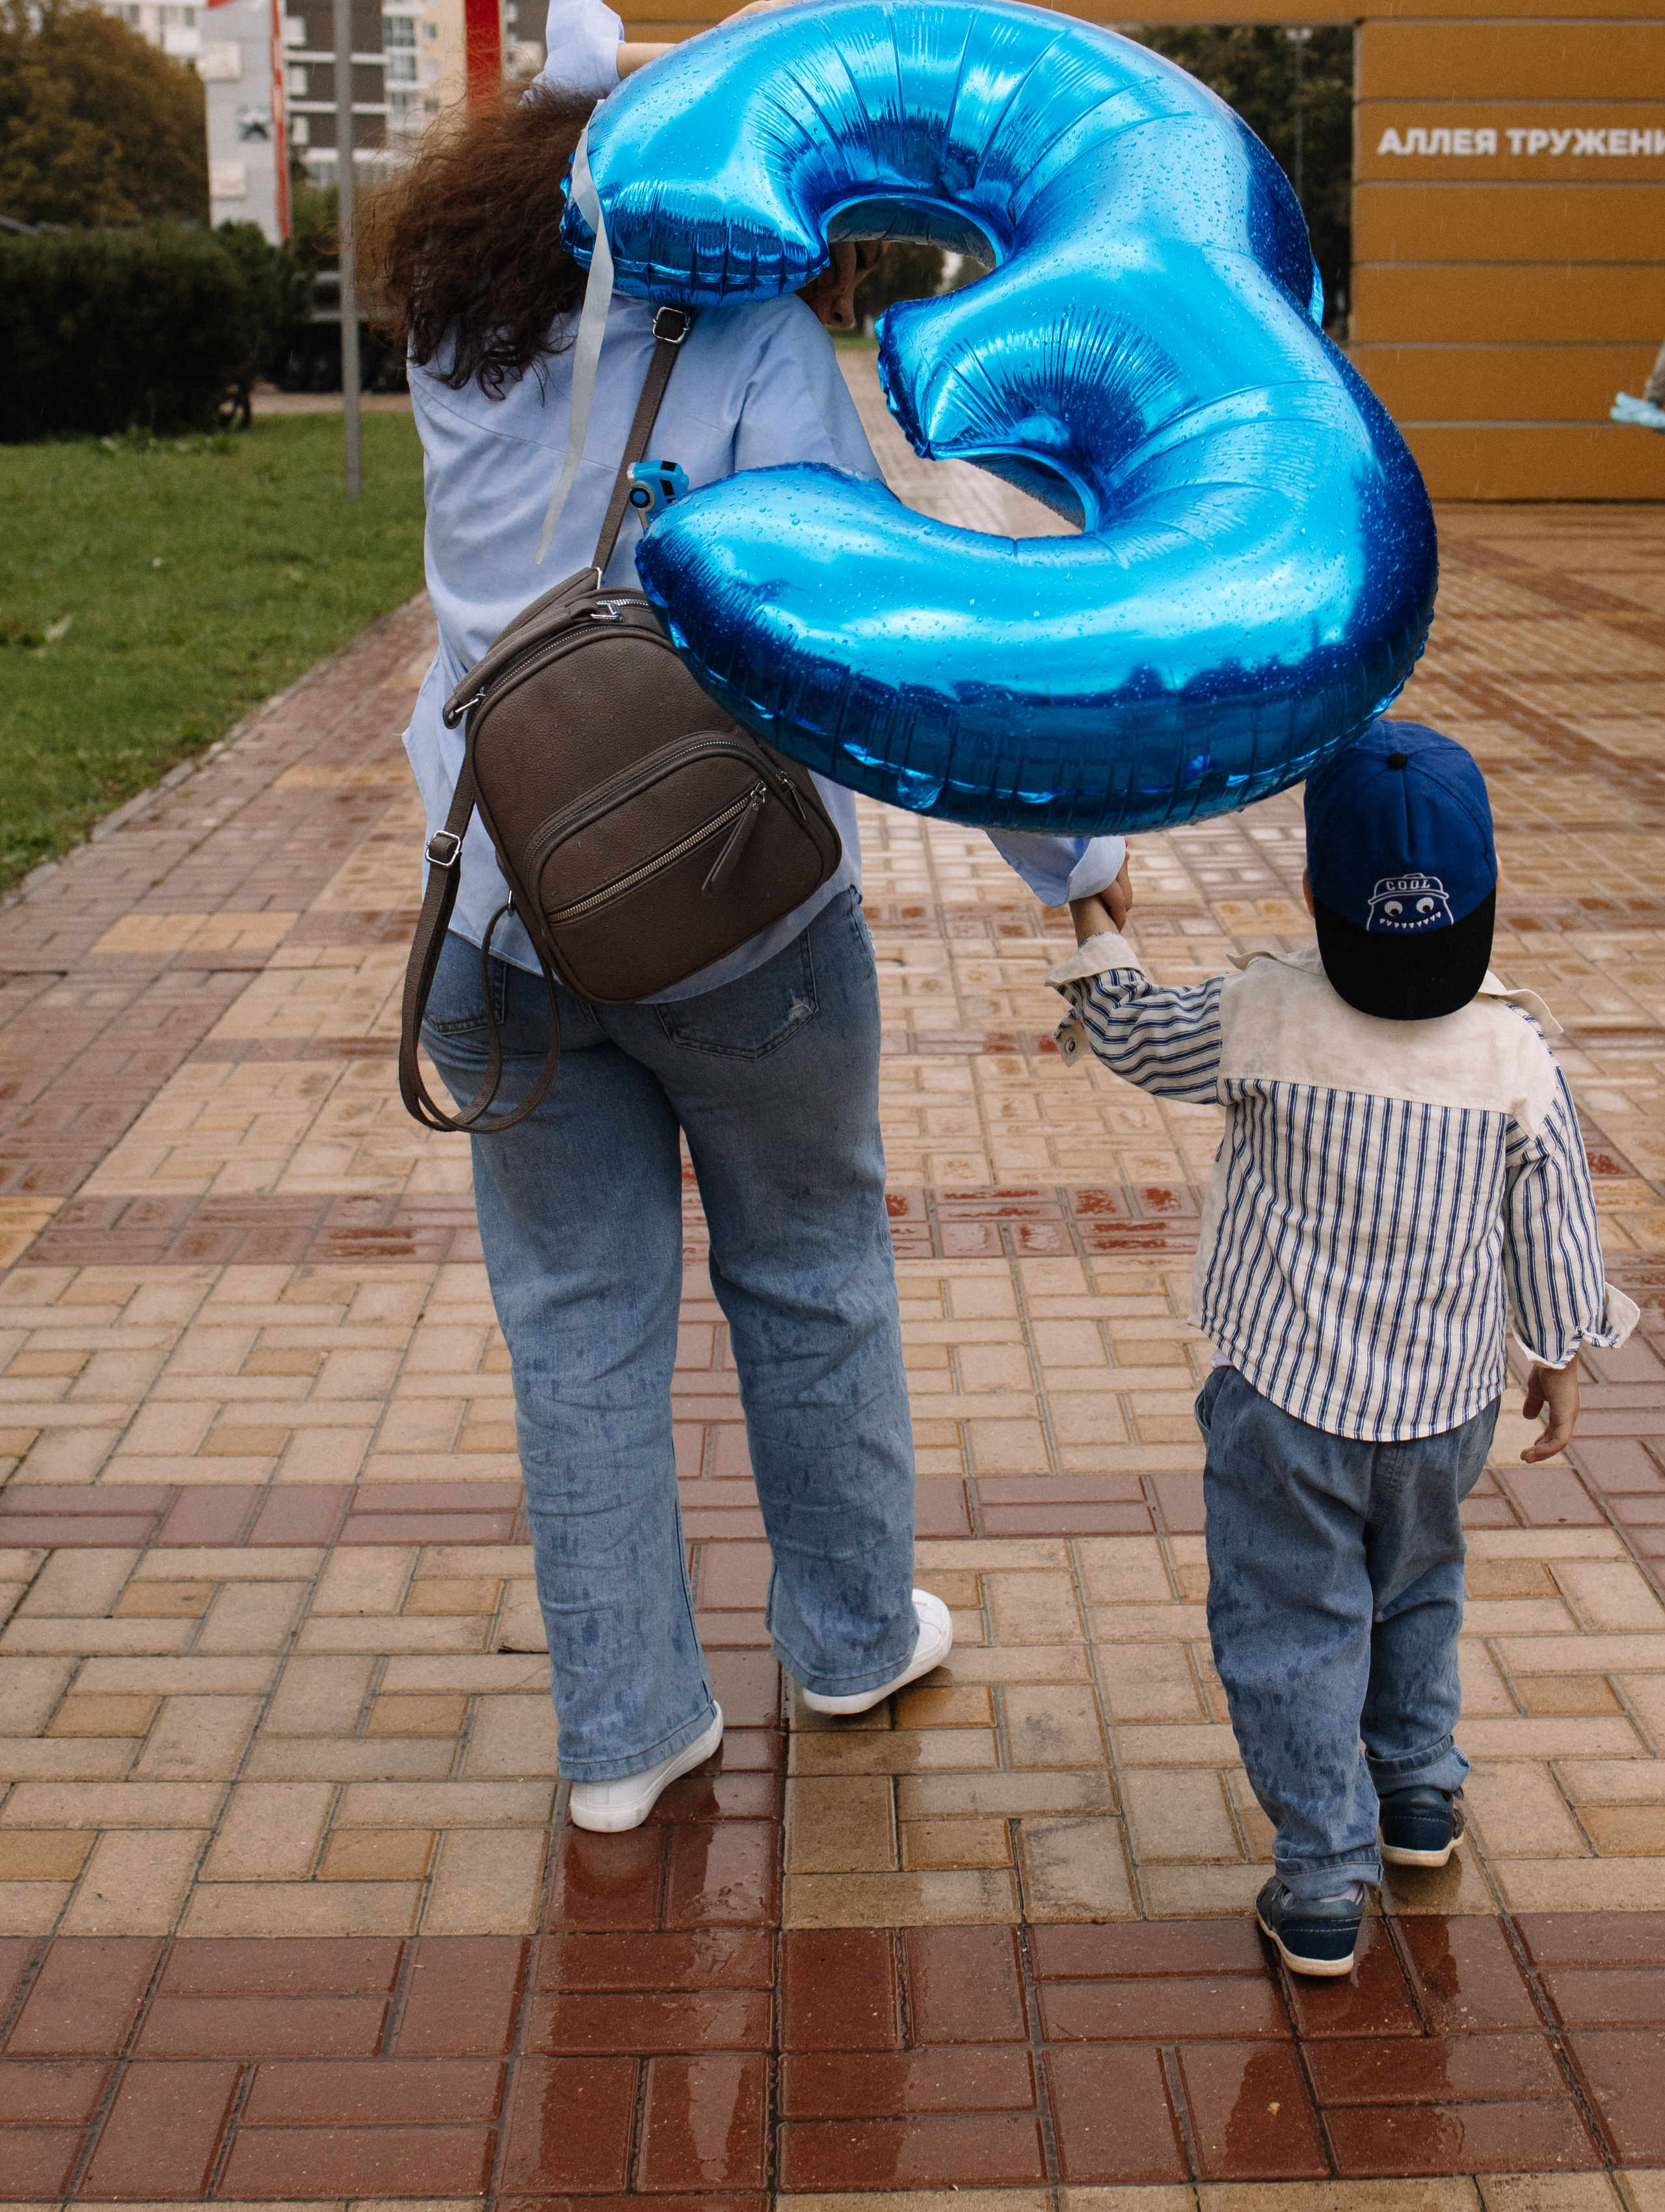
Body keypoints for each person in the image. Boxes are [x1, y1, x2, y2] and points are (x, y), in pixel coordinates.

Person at [366, 4, 1127, 1833]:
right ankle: (854, 1636)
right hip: (738, 910)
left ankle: (625, 1731)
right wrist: (1075, 871)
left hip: (501, 897)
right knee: (808, 1273)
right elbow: (884, 630)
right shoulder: (760, 337)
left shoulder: (457, 337)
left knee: (576, 1320)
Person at [1050, 719, 1636, 1974]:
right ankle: (1417, 1790)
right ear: (1485, 897)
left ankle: (1322, 1874)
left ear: (1316, 894)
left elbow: (1139, 1034)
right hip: (1442, 1411)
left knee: (1295, 1618)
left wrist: (1098, 929)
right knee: (1417, 1582)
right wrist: (1559, 1354)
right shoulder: (1515, 1053)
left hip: (1287, 1407)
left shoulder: (1265, 1016)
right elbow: (1554, 1215)